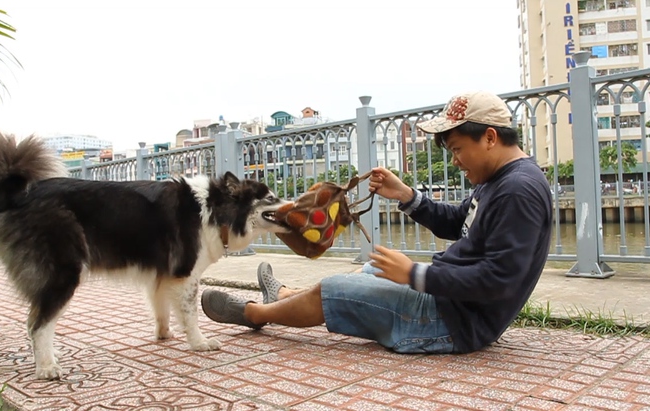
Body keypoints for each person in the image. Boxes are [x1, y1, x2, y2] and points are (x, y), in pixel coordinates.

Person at [201, 90, 553, 354]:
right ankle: (286, 296)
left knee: (334, 292)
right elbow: (458, 222)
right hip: (448, 302)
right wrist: (407, 196)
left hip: (452, 322)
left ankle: (255, 313)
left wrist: (417, 275)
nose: (457, 161)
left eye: (458, 149)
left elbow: (500, 281)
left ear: (490, 138)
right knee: (371, 270)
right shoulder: (499, 181)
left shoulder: (518, 191)